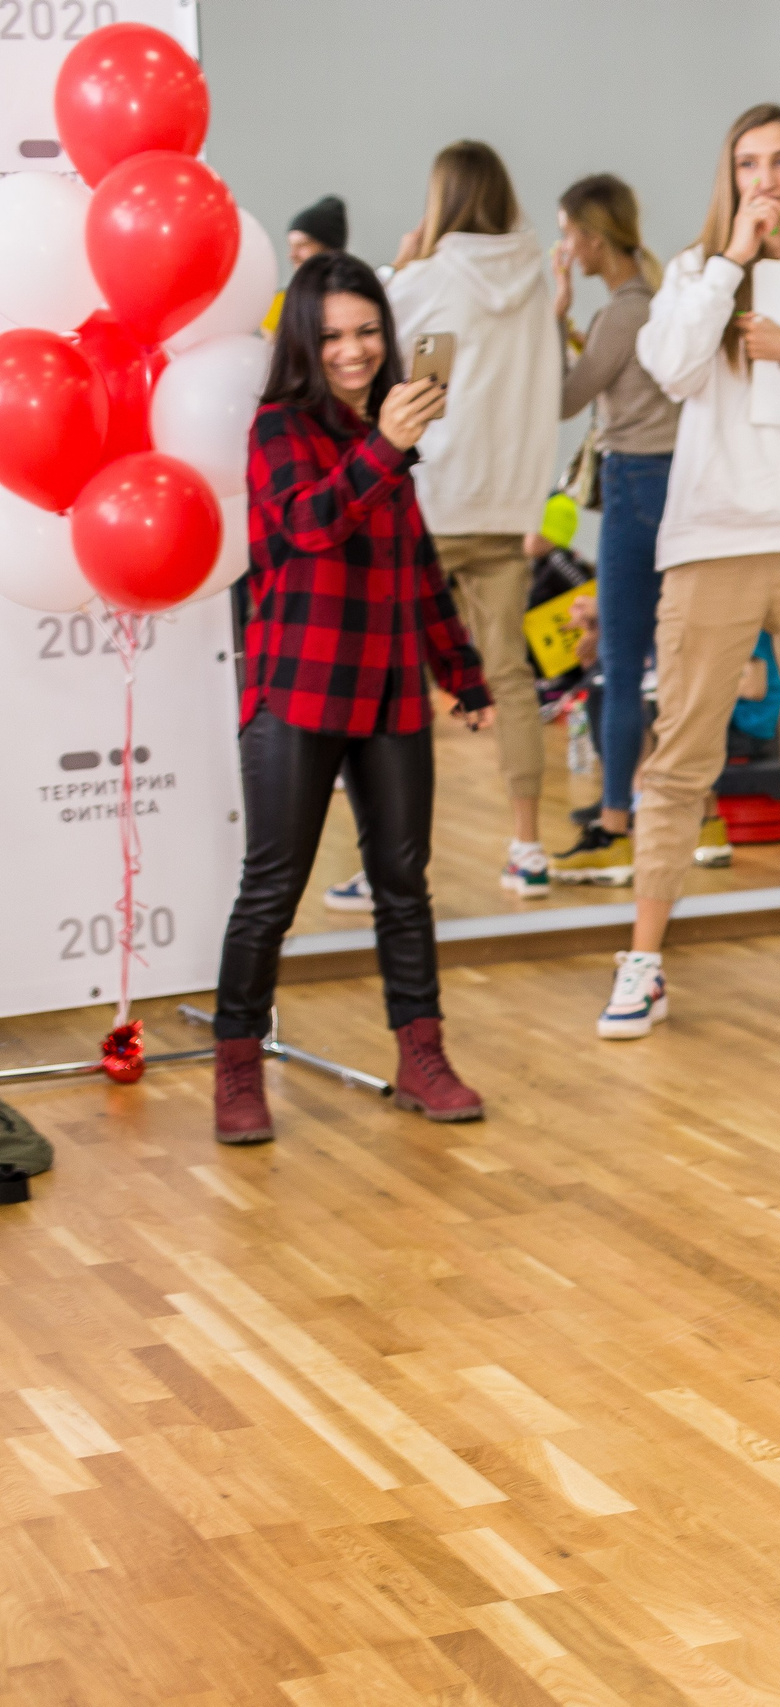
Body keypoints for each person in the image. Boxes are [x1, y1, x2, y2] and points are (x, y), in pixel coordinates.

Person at [594, 103, 780, 1040]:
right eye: (747, 163)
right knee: (682, 756)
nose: (764, 178)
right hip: (711, 539)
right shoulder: (693, 272)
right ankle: (643, 961)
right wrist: (731, 258)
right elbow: (672, 369)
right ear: (728, 179)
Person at [211, 254, 490, 1144]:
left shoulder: (388, 439)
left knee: (404, 886)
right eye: (332, 335)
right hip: (297, 688)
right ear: (303, 340)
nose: (354, 349)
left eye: (367, 330)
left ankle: (423, 1056)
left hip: (391, 691)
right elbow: (308, 525)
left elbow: (415, 568)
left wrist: (465, 673)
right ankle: (238, 1066)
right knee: (273, 889)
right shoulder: (279, 428)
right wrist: (385, 446)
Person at [383, 142, 565, 900]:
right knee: (511, 677)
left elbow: (385, 357)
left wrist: (401, 264)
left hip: (429, 502)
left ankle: (389, 861)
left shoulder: (426, 278)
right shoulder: (536, 280)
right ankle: (528, 844)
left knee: (396, 687)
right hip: (504, 505)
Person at [544, 174, 683, 887]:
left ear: (593, 239)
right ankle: (674, 811)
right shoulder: (646, 306)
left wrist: (554, 313)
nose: (565, 247)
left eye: (568, 234)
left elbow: (568, 397)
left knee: (620, 663)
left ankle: (616, 820)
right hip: (665, 484)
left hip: (635, 483)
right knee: (665, 660)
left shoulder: (624, 312)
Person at [262, 196, 348, 336]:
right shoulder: (280, 303)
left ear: (330, 249)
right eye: (291, 246)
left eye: (302, 245)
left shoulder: (356, 297)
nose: (292, 255)